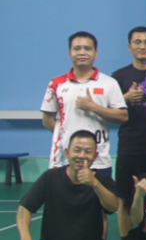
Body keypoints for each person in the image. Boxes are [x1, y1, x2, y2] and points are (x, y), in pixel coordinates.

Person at [42, 32, 128, 175]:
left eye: (87, 48)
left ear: (95, 53)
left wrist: (92, 107)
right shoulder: (56, 84)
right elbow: (47, 121)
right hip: (64, 159)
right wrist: (66, 136)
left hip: (99, 160)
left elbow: (123, 116)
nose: (82, 52)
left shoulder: (109, 83)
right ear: (69, 53)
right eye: (77, 48)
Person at [113, 26, 146, 220]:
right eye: (137, 42)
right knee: (125, 199)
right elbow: (110, 110)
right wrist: (125, 98)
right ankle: (126, 238)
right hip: (130, 146)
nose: (142, 46)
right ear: (129, 47)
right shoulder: (119, 76)